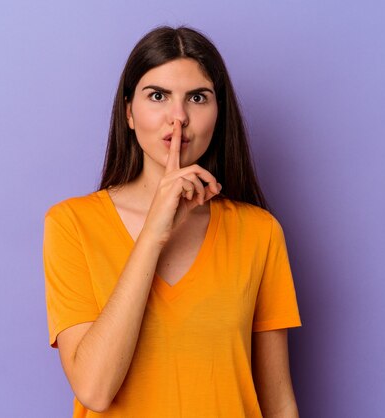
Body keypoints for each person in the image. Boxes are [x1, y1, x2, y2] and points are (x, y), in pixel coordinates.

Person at [43, 25, 302, 417]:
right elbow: (94, 390)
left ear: (219, 114)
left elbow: (279, 402)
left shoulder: (260, 232)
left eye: (197, 97)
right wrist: (153, 235)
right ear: (128, 112)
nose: (178, 117)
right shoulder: (71, 224)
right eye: (158, 96)